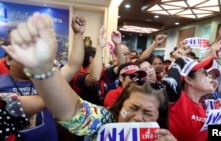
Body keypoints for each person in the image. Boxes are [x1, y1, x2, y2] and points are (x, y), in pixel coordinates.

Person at [3, 12, 177, 141]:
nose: (138, 117)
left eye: (147, 113)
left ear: (158, 119)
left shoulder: (162, 138)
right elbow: (72, 110)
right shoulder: (105, 120)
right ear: (121, 104)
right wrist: (42, 68)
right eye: (133, 108)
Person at [0, 14, 86, 141]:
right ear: (8, 60)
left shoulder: (46, 79)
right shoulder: (2, 85)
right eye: (23, 50)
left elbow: (73, 66)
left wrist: (78, 34)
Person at [160, 44, 221, 141]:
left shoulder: (205, 104)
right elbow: (169, 83)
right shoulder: (178, 100)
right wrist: (180, 59)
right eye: (205, 73)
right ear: (189, 80)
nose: (210, 78)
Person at [70, 26, 124, 106]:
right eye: (100, 58)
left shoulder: (103, 73)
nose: (102, 62)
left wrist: (118, 45)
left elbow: (123, 69)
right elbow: (94, 77)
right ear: (91, 59)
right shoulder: (78, 77)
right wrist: (99, 46)